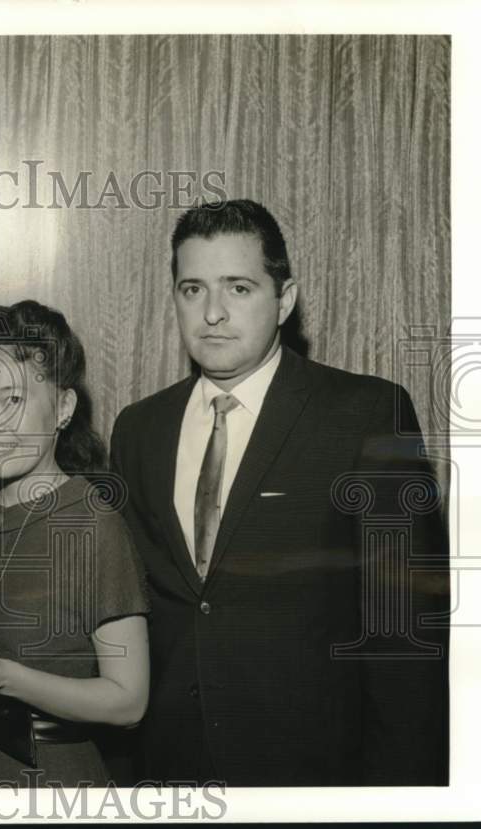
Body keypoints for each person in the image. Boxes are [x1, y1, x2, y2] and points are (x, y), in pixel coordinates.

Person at [110, 199, 449, 786]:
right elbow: (126, 602)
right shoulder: (139, 428)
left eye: (238, 288)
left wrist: (401, 796)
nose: (212, 312)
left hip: (314, 774)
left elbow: (406, 632)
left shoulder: (365, 413)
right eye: (192, 289)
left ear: (284, 300)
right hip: (169, 771)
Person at [0, 300, 150, 787]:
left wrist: (5, 678)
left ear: (63, 407)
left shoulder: (95, 524)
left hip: (52, 783)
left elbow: (129, 701)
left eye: (11, 400)